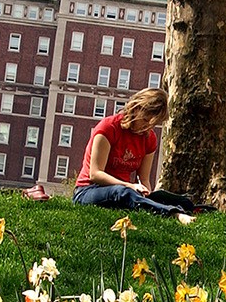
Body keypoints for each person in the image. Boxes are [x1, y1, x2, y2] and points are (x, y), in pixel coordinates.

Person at [73, 87, 193, 222]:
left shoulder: (149, 138)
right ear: (136, 108)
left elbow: (144, 178)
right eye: (146, 120)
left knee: (160, 195)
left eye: (153, 124)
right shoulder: (108, 128)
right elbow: (95, 174)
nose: (147, 127)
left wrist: (146, 193)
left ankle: (189, 208)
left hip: (125, 191)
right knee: (121, 192)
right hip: (89, 191)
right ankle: (173, 214)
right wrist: (129, 185)